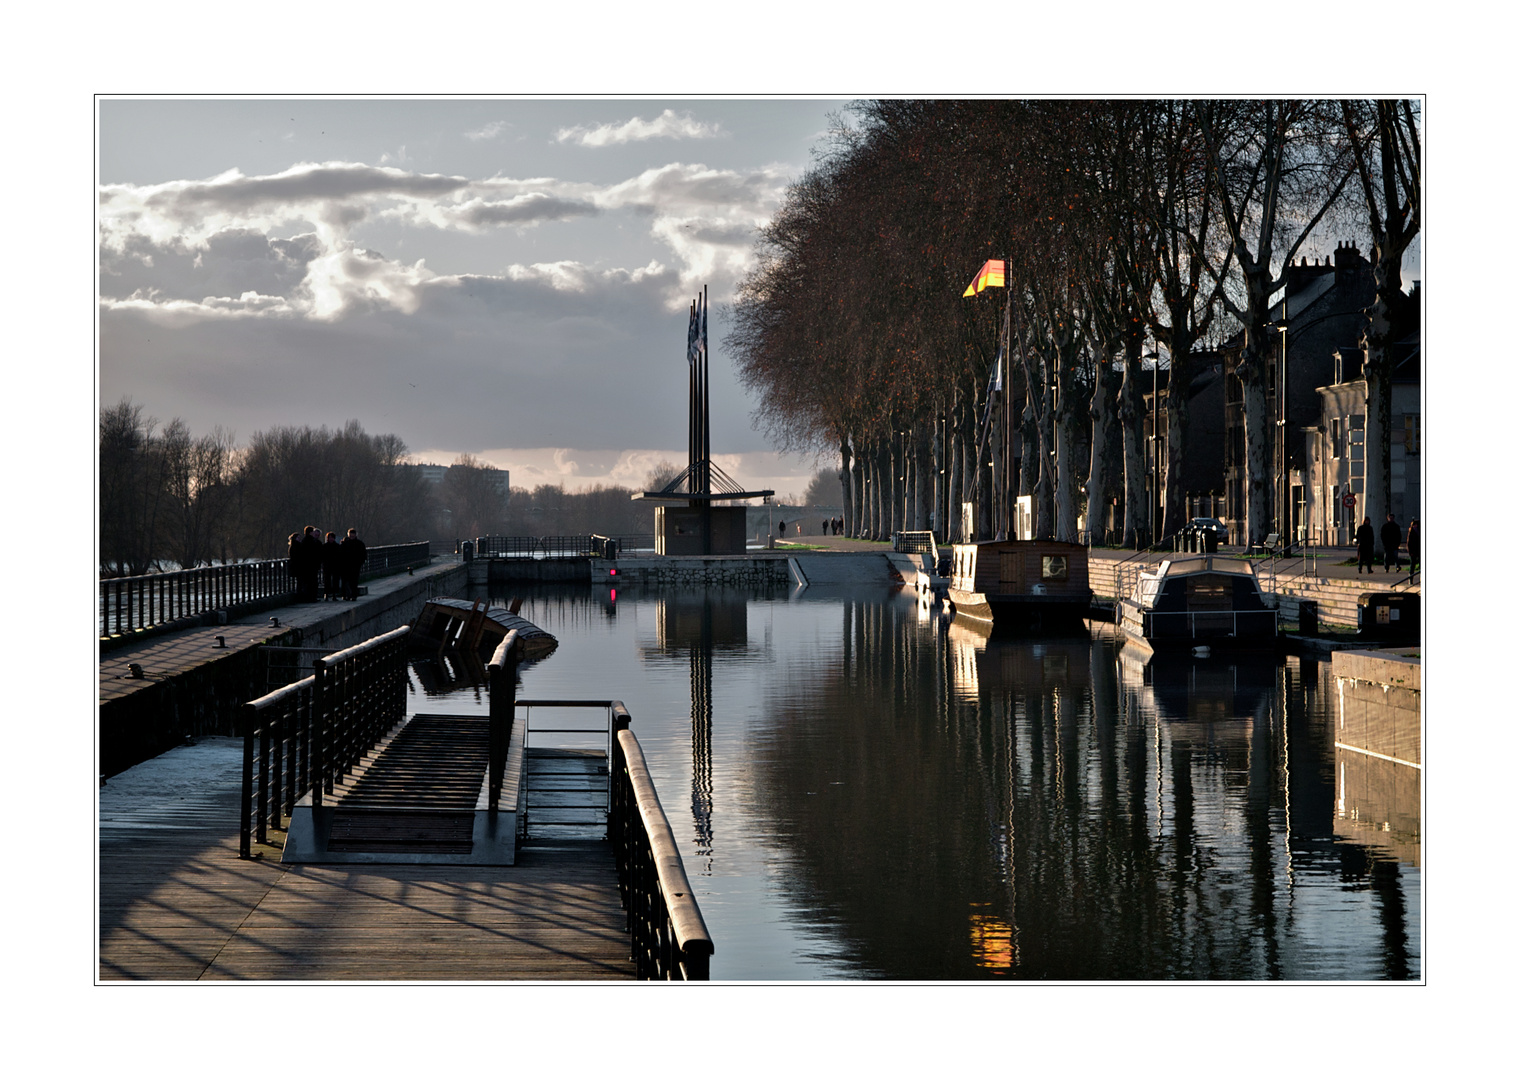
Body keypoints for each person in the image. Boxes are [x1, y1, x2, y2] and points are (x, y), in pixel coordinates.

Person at [340, 528, 367, 600]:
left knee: (353, 581)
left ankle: (352, 595)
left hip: (355, 565)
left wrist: (360, 562)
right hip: (346, 565)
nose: (351, 537)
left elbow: (363, 554)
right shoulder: (345, 544)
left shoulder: (359, 544)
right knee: (346, 581)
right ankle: (348, 594)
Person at [321, 531, 343, 599]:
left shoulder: (336, 546)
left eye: (331, 538)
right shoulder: (325, 546)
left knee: (335, 580)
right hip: (327, 565)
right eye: (329, 538)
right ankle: (327, 593)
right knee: (327, 580)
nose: (330, 539)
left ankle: (333, 594)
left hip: (335, 566)